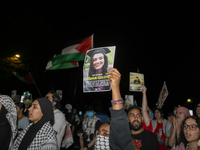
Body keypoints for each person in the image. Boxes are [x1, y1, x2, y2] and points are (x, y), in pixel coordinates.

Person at [106, 68, 159, 150]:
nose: (135, 118)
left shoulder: (151, 137)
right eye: (132, 115)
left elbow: (144, 111)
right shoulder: (123, 135)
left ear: (142, 118)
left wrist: (144, 93)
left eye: (138, 115)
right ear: (126, 119)